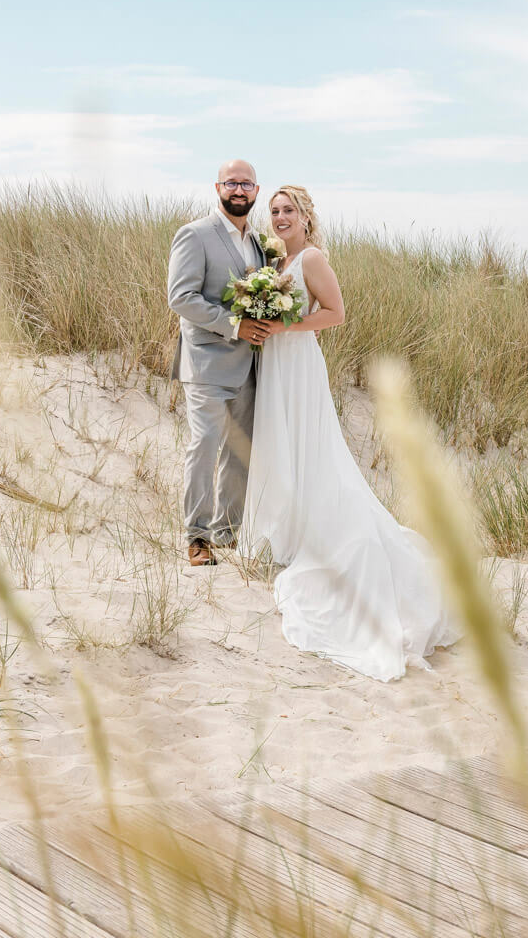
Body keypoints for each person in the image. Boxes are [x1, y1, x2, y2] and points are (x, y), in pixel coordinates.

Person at [240, 185, 460, 681]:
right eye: (273, 211)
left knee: (311, 448)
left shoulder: (312, 259)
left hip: (298, 363)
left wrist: (284, 326)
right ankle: (282, 527)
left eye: (287, 210)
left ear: (305, 216)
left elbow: (336, 314)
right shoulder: (275, 264)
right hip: (275, 365)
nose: (279, 217)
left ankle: (318, 536)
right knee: (281, 442)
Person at [167, 160, 279, 566]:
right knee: (204, 446)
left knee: (239, 452)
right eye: (231, 182)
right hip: (207, 363)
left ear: (256, 190)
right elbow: (181, 298)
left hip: (248, 366)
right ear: (217, 187)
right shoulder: (195, 235)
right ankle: (196, 536)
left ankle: (227, 533)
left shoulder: (261, 245)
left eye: (246, 184)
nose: (239, 190)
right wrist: (236, 325)